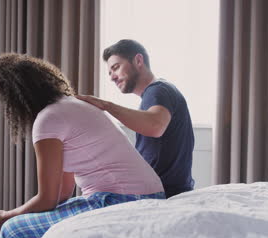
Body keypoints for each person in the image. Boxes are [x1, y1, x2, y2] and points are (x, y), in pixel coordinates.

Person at [0, 53, 165, 238]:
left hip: (121, 199)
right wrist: (12, 216)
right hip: (145, 194)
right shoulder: (70, 107)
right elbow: (62, 194)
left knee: (13, 231)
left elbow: (47, 199)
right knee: (20, 225)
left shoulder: (49, 119)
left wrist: (7, 217)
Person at [76, 39, 195, 198]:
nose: (112, 77)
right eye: (110, 73)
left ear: (138, 60)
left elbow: (155, 126)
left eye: (116, 68)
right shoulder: (157, 93)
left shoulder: (158, 90)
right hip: (166, 190)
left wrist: (106, 105)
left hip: (163, 193)